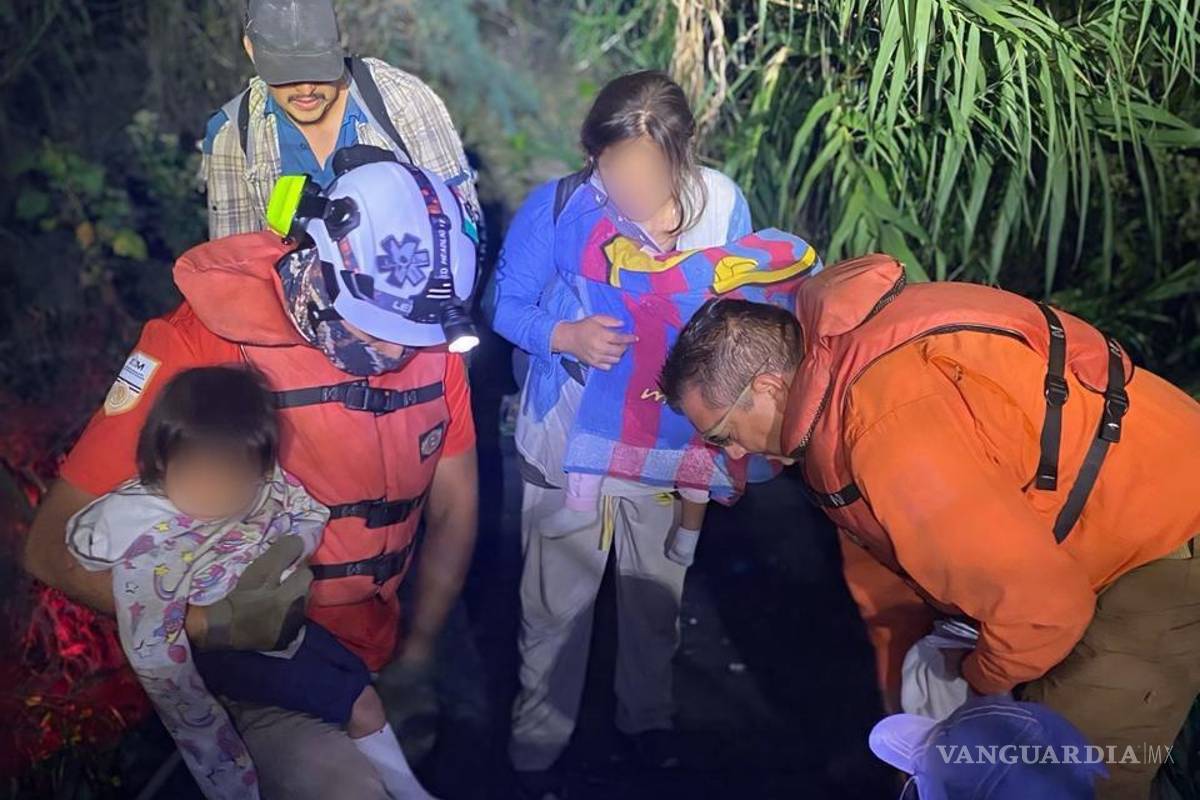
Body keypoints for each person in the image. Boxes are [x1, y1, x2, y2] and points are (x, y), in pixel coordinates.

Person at [24, 148, 479, 800]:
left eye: (412, 335)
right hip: (251, 664)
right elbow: (50, 545)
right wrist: (213, 624)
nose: (397, 352)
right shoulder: (200, 344)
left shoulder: (429, 334)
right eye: (377, 331)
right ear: (316, 270)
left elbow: (457, 504)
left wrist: (422, 647)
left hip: (381, 645)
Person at [659, 254, 1200, 798]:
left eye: (721, 433)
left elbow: (1042, 612)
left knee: (1056, 778)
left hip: (1165, 537)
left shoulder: (886, 430)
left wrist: (975, 679)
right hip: (1117, 520)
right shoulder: (847, 362)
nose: (729, 454)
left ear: (772, 387)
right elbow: (914, 585)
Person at [486, 70, 756, 794]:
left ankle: (648, 727)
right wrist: (565, 333)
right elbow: (504, 304)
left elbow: (746, 317)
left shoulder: (723, 206)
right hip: (567, 441)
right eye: (614, 165)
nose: (628, 185)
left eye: (648, 169)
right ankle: (536, 746)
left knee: (653, 605)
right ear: (593, 153)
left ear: (684, 154)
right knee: (552, 611)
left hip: (672, 450)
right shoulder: (563, 206)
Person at [66, 366, 435, 800]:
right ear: (164, 458)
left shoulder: (260, 479)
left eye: (235, 479)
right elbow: (158, 660)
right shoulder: (150, 549)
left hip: (283, 627)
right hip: (231, 655)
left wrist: (294, 546)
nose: (217, 493)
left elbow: (302, 506)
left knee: (366, 697)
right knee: (356, 703)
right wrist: (220, 766)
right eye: (201, 474)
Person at [201, 0, 480, 240]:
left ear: (338, 44)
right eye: (287, 74)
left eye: (318, 67)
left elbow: (466, 221)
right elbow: (235, 267)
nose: (306, 88)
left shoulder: (404, 101)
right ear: (250, 49)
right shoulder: (232, 134)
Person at [869, 696, 1107, 799]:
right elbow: (1039, 719)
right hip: (1071, 782)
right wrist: (1088, 762)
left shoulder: (931, 782)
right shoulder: (971, 714)